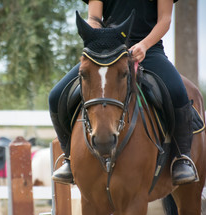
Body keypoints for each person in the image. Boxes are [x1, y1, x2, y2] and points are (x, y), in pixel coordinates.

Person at [49, 0, 198, 185]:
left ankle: (182, 159)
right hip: (107, 50)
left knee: (177, 91)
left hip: (149, 51)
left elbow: (165, 19)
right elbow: (94, 17)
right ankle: (69, 159)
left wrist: (144, 45)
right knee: (55, 96)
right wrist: (98, 37)